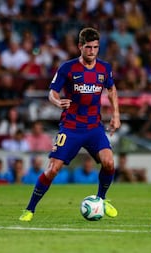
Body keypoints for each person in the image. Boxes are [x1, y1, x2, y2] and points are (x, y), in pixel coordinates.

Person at [19, 27, 121, 222]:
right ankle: (29, 209)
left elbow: (112, 89)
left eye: (96, 47)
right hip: (71, 127)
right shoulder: (68, 68)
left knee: (109, 162)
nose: (92, 51)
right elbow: (52, 92)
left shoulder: (104, 68)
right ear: (80, 47)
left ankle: (102, 199)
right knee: (53, 169)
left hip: (94, 127)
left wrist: (116, 115)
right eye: (88, 47)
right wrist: (58, 102)